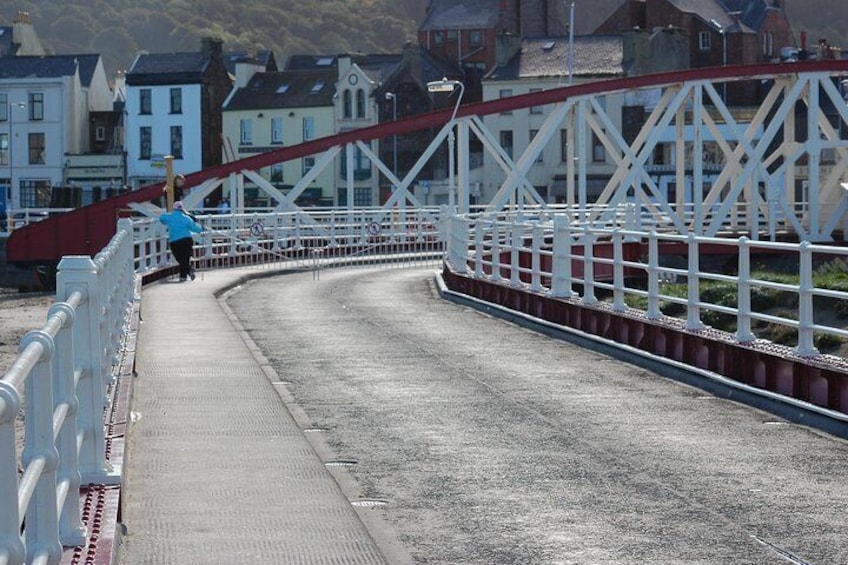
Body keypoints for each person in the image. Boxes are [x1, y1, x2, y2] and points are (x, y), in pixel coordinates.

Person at [159, 201, 204, 282]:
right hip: (186, 239)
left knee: (179, 258)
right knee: (185, 258)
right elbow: (196, 229)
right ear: (182, 209)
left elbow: (161, 218)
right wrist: (200, 227)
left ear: (173, 208)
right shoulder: (186, 218)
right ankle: (186, 273)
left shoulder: (169, 217)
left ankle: (186, 273)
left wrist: (165, 221)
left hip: (174, 241)